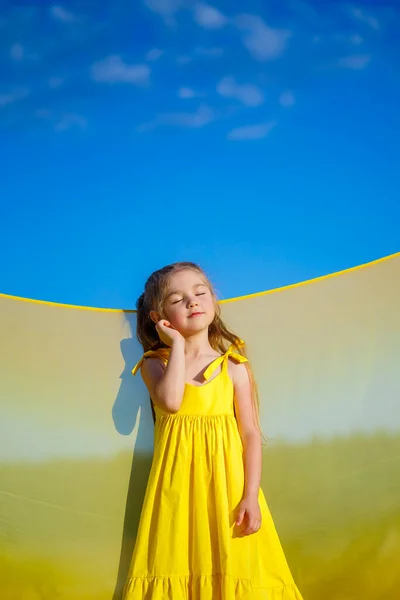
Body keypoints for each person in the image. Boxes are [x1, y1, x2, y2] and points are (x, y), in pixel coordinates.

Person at [123, 262, 303, 599]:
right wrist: (175, 345)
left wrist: (251, 494)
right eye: (177, 299)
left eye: (199, 292)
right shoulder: (155, 364)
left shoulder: (234, 367)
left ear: (213, 300)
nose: (192, 301)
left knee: (232, 568)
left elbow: (250, 434)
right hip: (176, 493)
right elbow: (172, 401)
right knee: (179, 567)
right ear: (158, 317)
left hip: (228, 489)